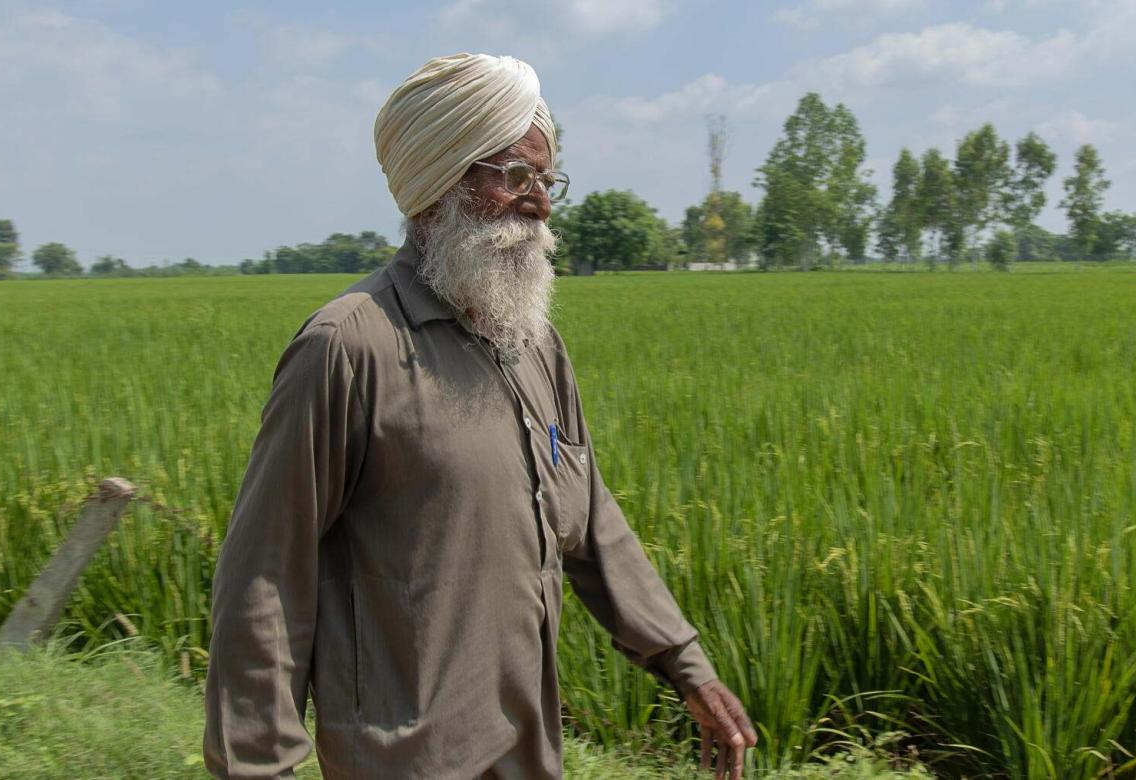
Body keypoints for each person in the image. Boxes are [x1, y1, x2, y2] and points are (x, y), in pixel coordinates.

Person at [203, 52, 757, 779]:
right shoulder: (349, 347)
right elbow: (264, 577)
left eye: (548, 179)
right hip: (408, 761)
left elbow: (589, 519)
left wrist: (687, 666)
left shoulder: (535, 346)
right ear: (442, 184)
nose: (542, 203)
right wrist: (257, 768)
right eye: (517, 177)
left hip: (528, 754)